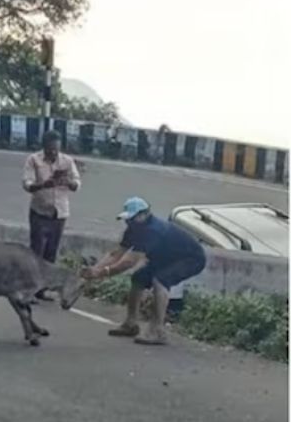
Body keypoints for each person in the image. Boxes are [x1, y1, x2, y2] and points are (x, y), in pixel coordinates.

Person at [81, 197, 206, 345]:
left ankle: (157, 331)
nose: (128, 222)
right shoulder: (134, 228)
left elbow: (128, 262)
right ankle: (131, 323)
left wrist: (102, 273)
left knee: (160, 281)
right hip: (165, 257)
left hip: (191, 259)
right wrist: (95, 269)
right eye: (127, 219)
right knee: (138, 278)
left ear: (144, 215)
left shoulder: (152, 230)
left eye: (132, 219)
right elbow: (116, 254)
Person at [22, 130, 81, 300]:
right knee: (36, 252)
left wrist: (68, 182)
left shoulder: (67, 161)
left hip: (60, 212)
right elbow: (27, 184)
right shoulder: (33, 160)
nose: (53, 153)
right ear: (44, 147)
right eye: (50, 150)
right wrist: (43, 184)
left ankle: (42, 289)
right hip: (40, 211)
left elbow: (77, 183)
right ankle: (29, 289)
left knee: (51, 252)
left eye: (56, 149)